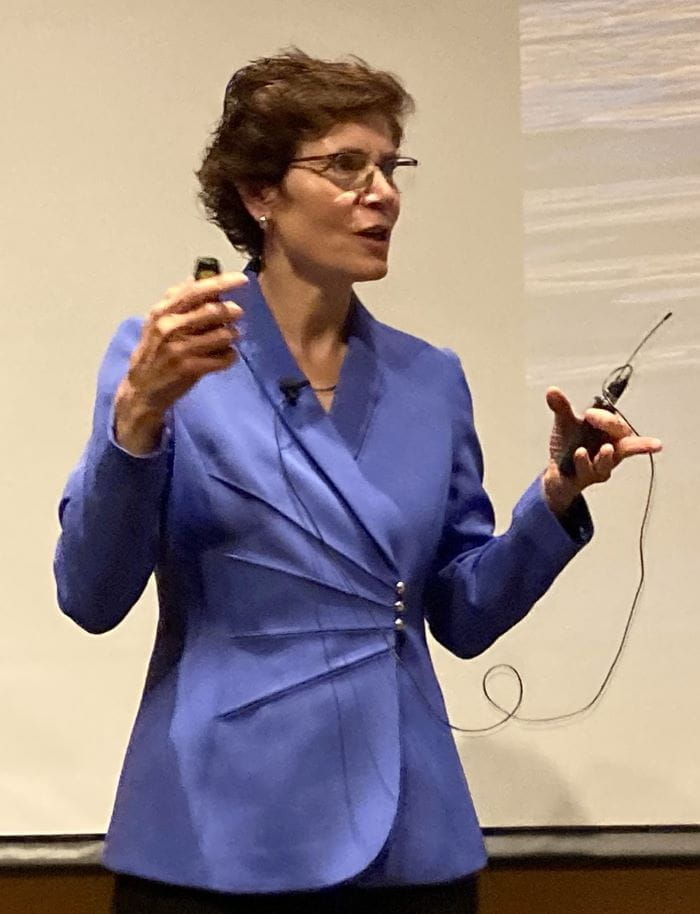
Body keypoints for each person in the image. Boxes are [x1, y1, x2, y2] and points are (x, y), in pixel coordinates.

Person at [54, 50, 662, 914]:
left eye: (390, 167)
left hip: (406, 836)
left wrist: (555, 502)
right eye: (346, 166)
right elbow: (90, 595)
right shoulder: (168, 360)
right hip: (218, 829)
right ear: (260, 194)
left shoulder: (430, 379)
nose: (382, 194)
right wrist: (138, 419)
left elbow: (460, 615)